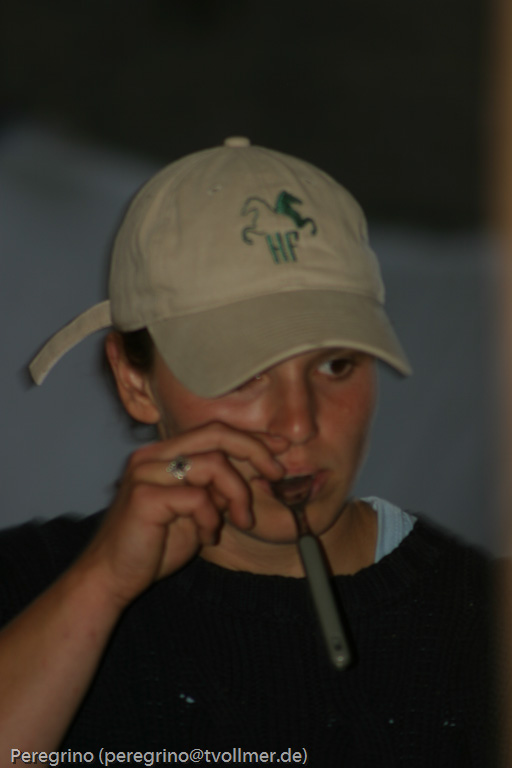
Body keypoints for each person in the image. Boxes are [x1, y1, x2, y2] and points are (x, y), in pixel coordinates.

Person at [0, 137, 495, 765]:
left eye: (336, 364)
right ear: (135, 381)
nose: (298, 423)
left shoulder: (484, 619)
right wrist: (99, 586)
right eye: (243, 372)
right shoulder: (25, 590)